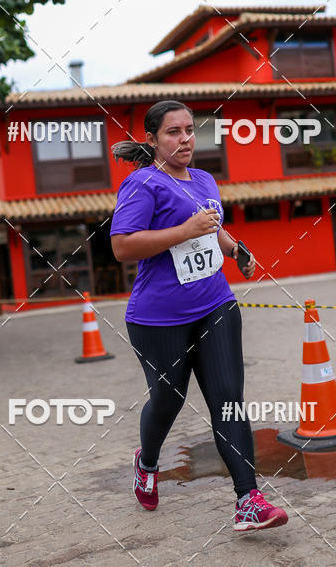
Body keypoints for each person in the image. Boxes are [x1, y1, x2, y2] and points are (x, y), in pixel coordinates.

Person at [110, 100, 288, 532]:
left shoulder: (206, 179)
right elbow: (122, 246)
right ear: (152, 140)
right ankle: (147, 462)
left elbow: (212, 225)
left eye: (190, 130)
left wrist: (235, 249)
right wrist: (183, 232)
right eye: (174, 132)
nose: (186, 138)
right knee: (168, 400)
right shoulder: (141, 184)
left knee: (228, 400)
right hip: (158, 318)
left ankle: (249, 499)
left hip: (215, 305)